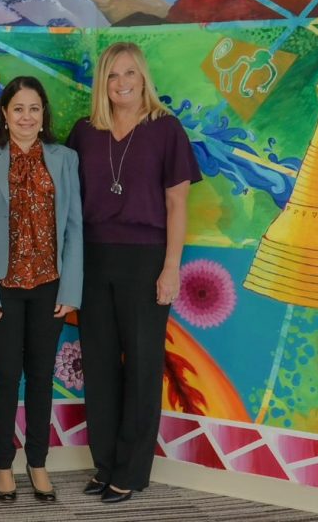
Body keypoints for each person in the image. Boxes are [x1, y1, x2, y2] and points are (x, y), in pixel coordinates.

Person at [66, 42, 201, 504]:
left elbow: (177, 203)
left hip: (146, 260)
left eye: (130, 74)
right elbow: (67, 204)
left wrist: (171, 269)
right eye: (111, 75)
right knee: (99, 366)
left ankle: (131, 470)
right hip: (92, 258)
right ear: (101, 83)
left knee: (142, 368)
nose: (121, 83)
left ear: (144, 78)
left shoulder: (166, 130)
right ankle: (104, 464)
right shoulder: (85, 131)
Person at [0, 76, 83, 503]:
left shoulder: (65, 159)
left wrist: (70, 288)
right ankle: (3, 465)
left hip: (50, 289)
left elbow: (74, 228)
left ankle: (38, 463)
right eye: (18, 108)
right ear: (4, 114)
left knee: (40, 377)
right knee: (4, 377)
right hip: (3, 287)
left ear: (43, 114)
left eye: (34, 108)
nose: (26, 117)